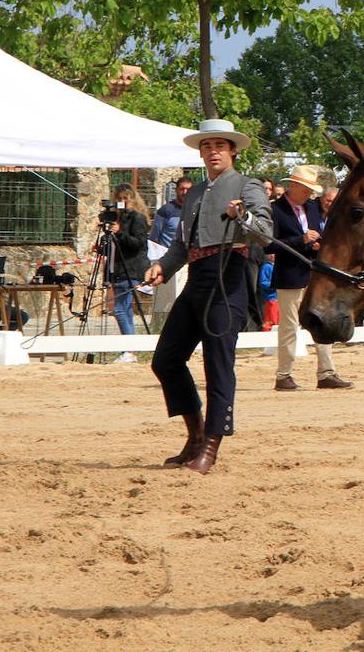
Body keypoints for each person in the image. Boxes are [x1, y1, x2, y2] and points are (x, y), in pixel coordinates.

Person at [142, 119, 273, 475]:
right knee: (166, 360)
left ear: (232, 151)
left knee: (217, 363)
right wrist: (163, 268)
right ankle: (195, 433)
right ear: (201, 153)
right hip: (196, 278)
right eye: (207, 146)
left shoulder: (248, 186)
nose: (213, 151)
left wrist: (242, 215)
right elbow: (182, 245)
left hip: (229, 277)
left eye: (219, 145)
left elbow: (264, 234)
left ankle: (212, 445)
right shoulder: (195, 193)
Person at [268, 165, 352, 391]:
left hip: (315, 274)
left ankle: (326, 372)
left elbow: (320, 235)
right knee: (289, 326)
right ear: (292, 186)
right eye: (305, 188)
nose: (309, 193)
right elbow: (269, 244)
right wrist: (301, 239)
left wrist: (317, 244)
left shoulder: (313, 208)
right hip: (289, 275)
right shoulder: (276, 210)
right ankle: (284, 374)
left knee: (321, 322)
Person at [103, 183, 150, 363]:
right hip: (117, 268)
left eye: (125, 199)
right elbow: (114, 245)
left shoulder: (137, 219)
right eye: (119, 199)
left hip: (130, 268)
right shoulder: (116, 218)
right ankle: (129, 349)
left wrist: (120, 232)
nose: (122, 202)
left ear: (132, 200)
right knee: (125, 310)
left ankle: (128, 350)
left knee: (119, 309)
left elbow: (138, 244)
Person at [148, 177, 193, 332]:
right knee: (165, 302)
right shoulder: (166, 211)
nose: (185, 192)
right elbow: (155, 236)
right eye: (182, 189)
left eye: (188, 189)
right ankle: (162, 329)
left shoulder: (195, 209)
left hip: (189, 261)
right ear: (176, 190)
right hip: (168, 260)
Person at [258, 253, 279, 330]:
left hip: (280, 298)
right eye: (271, 253)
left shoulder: (279, 267)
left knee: (278, 320)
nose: (273, 255)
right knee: (271, 320)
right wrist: (276, 285)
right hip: (272, 298)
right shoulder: (266, 267)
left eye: (275, 253)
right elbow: (263, 283)